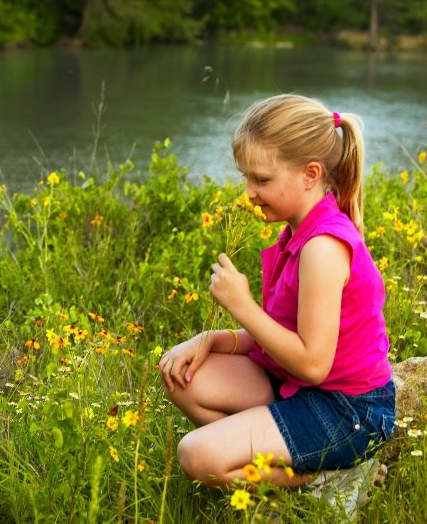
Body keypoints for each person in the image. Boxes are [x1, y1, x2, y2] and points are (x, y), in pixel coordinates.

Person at [158, 94, 395, 506]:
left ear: (310, 174)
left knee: (197, 455)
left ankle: (329, 476)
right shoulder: (297, 232)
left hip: (345, 411)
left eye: (262, 180)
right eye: (246, 178)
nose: (249, 192)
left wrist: (242, 306)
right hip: (296, 385)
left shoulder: (323, 247)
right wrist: (212, 339)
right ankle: (285, 452)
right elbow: (283, 334)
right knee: (183, 376)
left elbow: (313, 364)